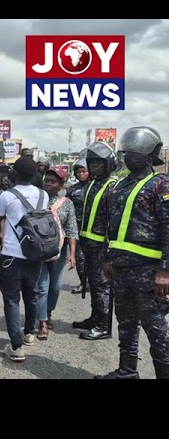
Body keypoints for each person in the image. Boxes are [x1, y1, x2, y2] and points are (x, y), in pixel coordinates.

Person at [97, 127, 169, 379]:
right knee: (126, 324)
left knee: (156, 328)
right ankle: (127, 371)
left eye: (134, 153)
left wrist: (165, 270)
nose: (128, 157)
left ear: (151, 156)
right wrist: (108, 257)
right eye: (126, 153)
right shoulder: (121, 185)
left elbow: (168, 228)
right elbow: (113, 225)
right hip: (122, 268)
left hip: (149, 271)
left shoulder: (161, 185)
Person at [0, 156, 44, 362]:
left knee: (12, 300)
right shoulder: (43, 195)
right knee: (31, 295)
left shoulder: (6, 195)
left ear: (15, 174)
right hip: (34, 254)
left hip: (12, 254)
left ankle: (16, 347)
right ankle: (29, 333)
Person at [74, 141, 118, 340]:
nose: (93, 166)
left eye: (98, 163)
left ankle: (103, 326)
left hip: (102, 247)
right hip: (88, 244)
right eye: (91, 163)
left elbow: (113, 222)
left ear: (108, 164)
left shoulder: (111, 187)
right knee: (93, 283)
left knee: (102, 287)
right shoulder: (93, 184)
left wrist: (109, 252)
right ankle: (95, 317)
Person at [36, 167, 78, 340]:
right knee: (42, 286)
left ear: (61, 184)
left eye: (53, 181)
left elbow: (72, 229)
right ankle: (42, 321)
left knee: (55, 287)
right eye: (47, 180)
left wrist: (72, 254)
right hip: (39, 251)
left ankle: (48, 312)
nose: (49, 184)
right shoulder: (37, 199)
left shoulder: (66, 203)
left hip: (59, 252)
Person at [66, 157, 90, 294]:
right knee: (80, 259)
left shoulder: (95, 187)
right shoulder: (73, 190)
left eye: (84, 171)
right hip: (77, 229)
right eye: (79, 172)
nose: (81, 174)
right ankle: (84, 283)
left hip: (94, 230)